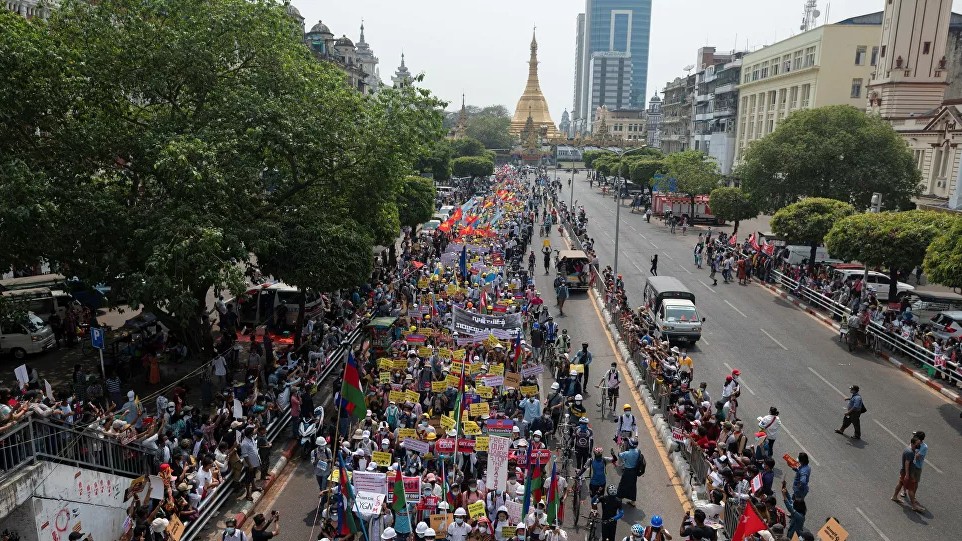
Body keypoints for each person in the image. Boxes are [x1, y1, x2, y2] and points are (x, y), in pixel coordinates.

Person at [892, 434, 924, 512]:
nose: (919, 445)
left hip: (904, 472)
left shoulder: (909, 449)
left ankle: (894, 496)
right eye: (918, 444)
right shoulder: (910, 452)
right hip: (908, 473)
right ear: (913, 444)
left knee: (901, 483)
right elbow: (907, 463)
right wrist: (907, 474)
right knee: (911, 489)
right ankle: (914, 506)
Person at [615, 438, 644, 505]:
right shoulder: (638, 451)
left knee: (622, 484)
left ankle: (619, 497)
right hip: (634, 471)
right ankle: (633, 501)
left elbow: (619, 454)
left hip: (627, 471)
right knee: (633, 486)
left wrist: (620, 447)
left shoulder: (627, 453)